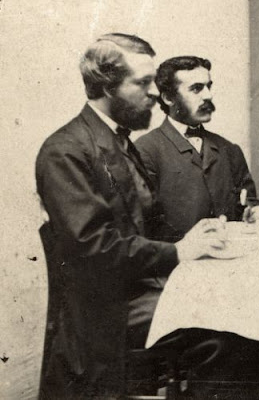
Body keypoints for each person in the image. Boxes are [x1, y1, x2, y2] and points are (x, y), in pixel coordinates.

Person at [35, 33, 228, 397]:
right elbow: (95, 247)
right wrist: (177, 253)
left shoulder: (117, 141)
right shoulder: (66, 151)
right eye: (141, 83)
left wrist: (198, 238)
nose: (154, 93)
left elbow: (145, 222)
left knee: (229, 304)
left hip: (133, 293)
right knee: (222, 331)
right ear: (107, 87)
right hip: (101, 314)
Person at [135, 56, 256, 240]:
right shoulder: (144, 152)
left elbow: (248, 205)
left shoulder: (230, 150)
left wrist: (252, 214)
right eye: (196, 88)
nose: (208, 95)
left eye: (209, 86)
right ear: (168, 98)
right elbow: (144, 228)